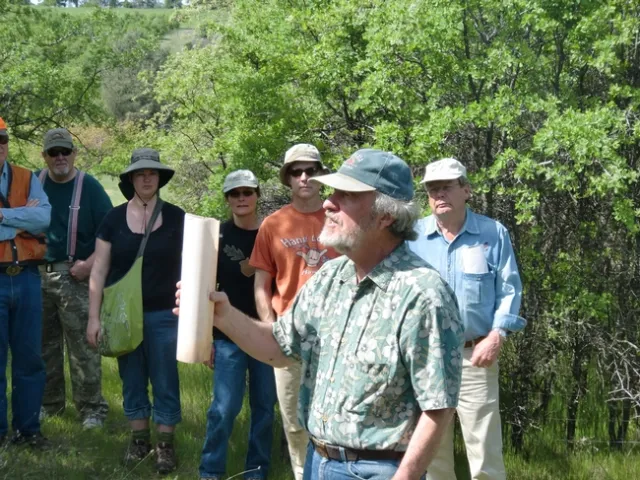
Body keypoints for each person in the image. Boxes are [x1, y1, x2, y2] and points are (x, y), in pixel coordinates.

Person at [177, 149, 465, 480]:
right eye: (333, 192)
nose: (329, 203)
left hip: (378, 469)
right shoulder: (331, 276)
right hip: (319, 461)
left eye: (347, 195)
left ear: (385, 215)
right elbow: (279, 347)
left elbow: (438, 407)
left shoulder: (423, 294)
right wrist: (222, 314)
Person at [408, 158, 526, 480]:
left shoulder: (492, 233)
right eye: (433, 189)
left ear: (466, 190)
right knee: (432, 456)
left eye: (446, 186)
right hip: (426, 359)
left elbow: (509, 289)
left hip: (475, 356)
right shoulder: (412, 237)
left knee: (485, 453)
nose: (439, 194)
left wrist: (497, 334)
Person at [87, 148, 184, 474]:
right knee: (131, 380)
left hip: (165, 316)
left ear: (159, 178)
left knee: (165, 381)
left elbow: (193, 267)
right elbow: (99, 270)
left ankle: (165, 446)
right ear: (131, 178)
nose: (146, 178)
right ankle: (139, 440)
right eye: (140, 173)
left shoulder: (177, 217)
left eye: (152, 173)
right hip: (122, 317)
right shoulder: (112, 219)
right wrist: (94, 318)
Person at [249, 144, 338, 480]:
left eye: (311, 170)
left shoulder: (338, 217)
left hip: (336, 337)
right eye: (297, 171)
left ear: (321, 175)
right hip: (289, 335)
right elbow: (261, 284)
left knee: (333, 418)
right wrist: (270, 327)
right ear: (287, 178)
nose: (304, 177)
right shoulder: (273, 224)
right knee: (295, 423)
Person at [199, 170, 277, 480]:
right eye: (234, 194)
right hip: (227, 335)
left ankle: (256, 473)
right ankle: (210, 471)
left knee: (264, 409)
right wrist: (205, 338)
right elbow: (205, 287)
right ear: (227, 199)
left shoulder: (273, 232)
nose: (241, 198)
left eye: (247, 192)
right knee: (224, 408)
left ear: (257, 194)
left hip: (265, 332)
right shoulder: (217, 235)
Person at [37, 128, 112, 429]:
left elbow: (110, 236)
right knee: (43, 347)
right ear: (44, 156)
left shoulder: (89, 187)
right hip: (37, 276)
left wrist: (89, 265)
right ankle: (49, 405)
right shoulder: (33, 184)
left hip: (77, 278)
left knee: (84, 348)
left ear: (74, 153)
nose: (60, 158)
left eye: (65, 151)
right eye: (53, 153)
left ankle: (92, 410)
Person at [0, 117, 51, 448]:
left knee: (30, 359)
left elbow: (44, 218)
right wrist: (23, 219)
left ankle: (28, 429)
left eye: (2, 141)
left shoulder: (27, 176)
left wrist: (4, 217)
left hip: (29, 278)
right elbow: (32, 220)